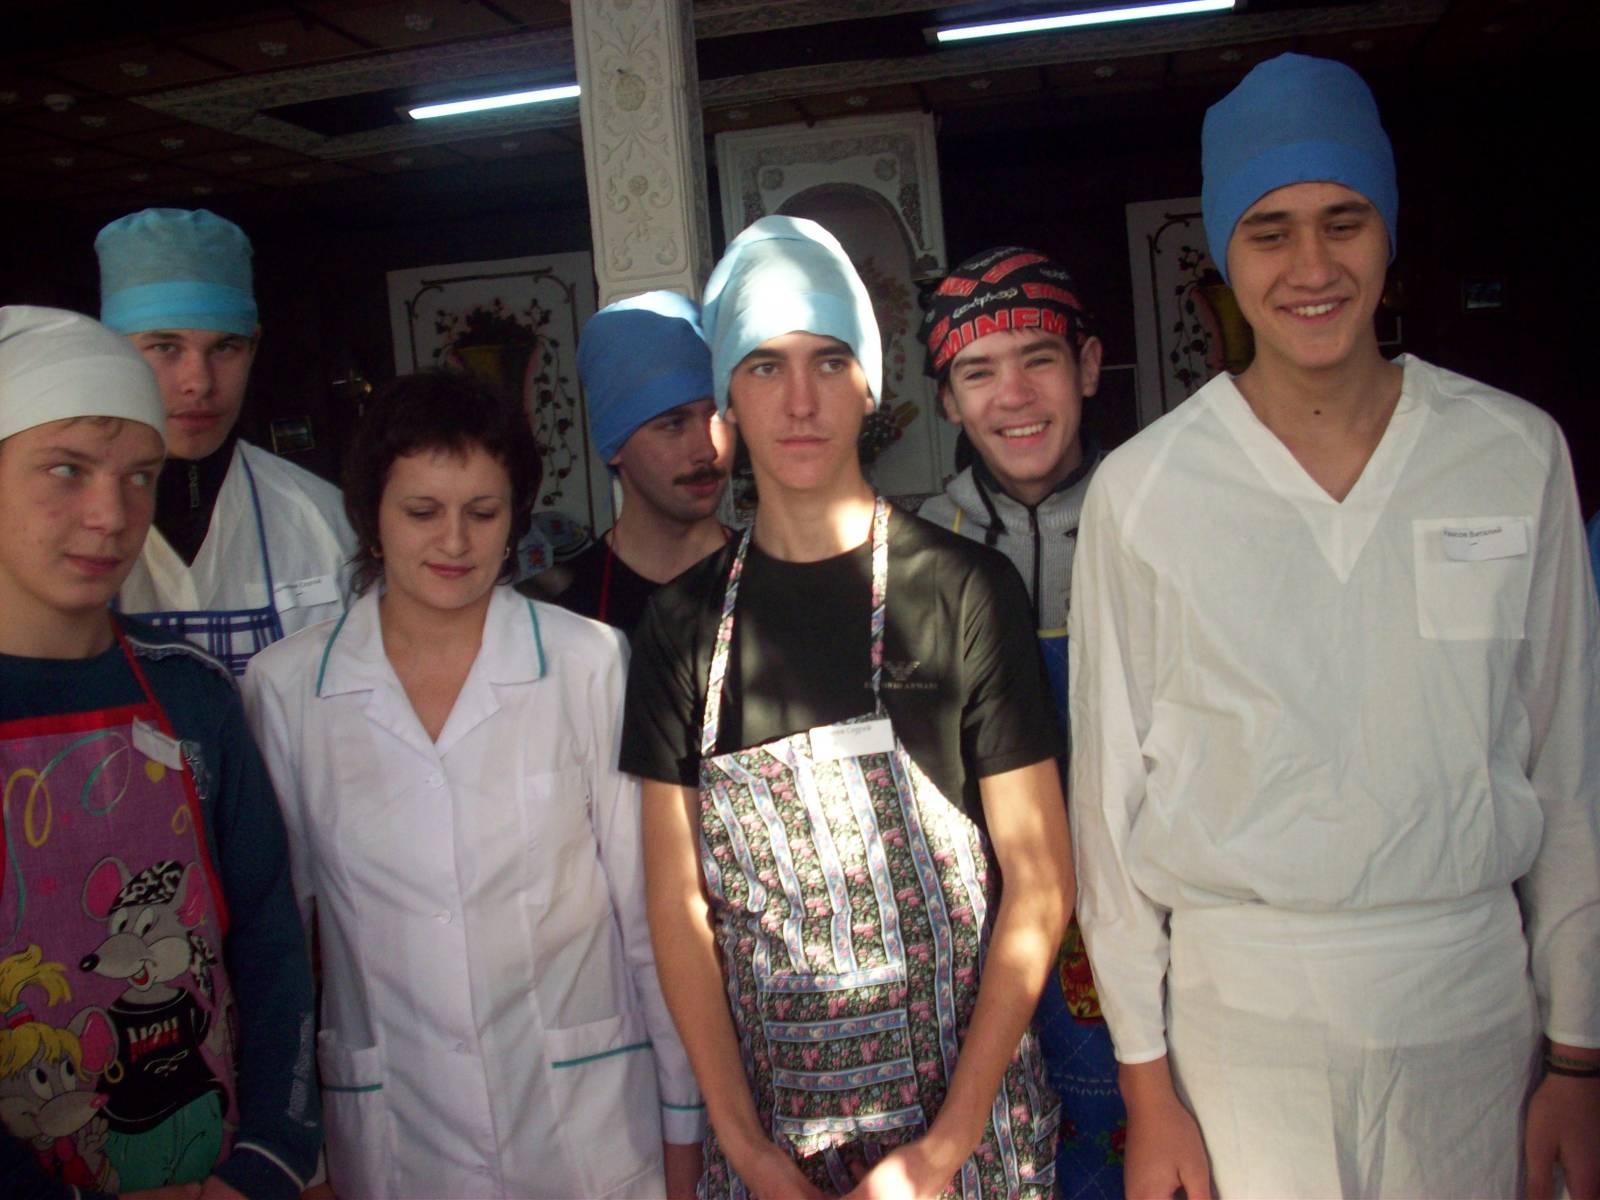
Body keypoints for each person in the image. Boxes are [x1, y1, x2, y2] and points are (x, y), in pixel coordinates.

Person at [1069, 52, 1600, 1200]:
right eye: (1270, 232)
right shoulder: (1148, 491)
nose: (1311, 267)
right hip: (1240, 1026)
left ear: (1387, 234)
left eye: (1343, 222)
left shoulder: (1509, 455)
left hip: (1469, 1008)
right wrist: (1146, 1088)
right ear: (1223, 254)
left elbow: (1570, 773)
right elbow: (1107, 815)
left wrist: (1577, 1054)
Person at [623, 215, 1073, 1199]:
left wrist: (941, 1152)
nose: (799, 401)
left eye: (829, 362)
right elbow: (676, 906)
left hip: (966, 1153)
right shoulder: (682, 627)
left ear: (870, 383)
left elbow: (1041, 883)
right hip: (773, 1154)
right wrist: (746, 1148)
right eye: (764, 367)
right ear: (725, 401)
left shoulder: (964, 592)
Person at [241, 370, 703, 1199]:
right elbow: (279, 953)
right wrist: (293, 1154)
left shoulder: (588, 662)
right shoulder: (288, 690)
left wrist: (683, 1130)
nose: (454, 542)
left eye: (483, 513)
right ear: (371, 518)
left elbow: (648, 917)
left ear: (515, 518)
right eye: (422, 512)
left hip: (591, 1128)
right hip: (395, 1137)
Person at [0, 305, 320, 1200]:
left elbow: (269, 944)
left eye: (140, 476)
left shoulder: (193, 698)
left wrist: (267, 1160)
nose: (113, 515)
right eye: (66, 469)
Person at [917, 247, 1124, 1196]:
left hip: (1152, 924)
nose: (1014, 395)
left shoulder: (1159, 511)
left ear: (1089, 365)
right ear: (947, 401)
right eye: (977, 372)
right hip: (987, 950)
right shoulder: (914, 551)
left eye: (1039, 357)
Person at [96, 208, 355, 675]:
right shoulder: (48, 531)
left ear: (254, 346)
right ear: (109, 351)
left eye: (225, 347)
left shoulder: (325, 520)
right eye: (165, 347)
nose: (199, 382)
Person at [526, 290, 734, 636]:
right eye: (674, 424)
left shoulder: (778, 580)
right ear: (615, 444)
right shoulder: (560, 610)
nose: (707, 450)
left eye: (715, 416)